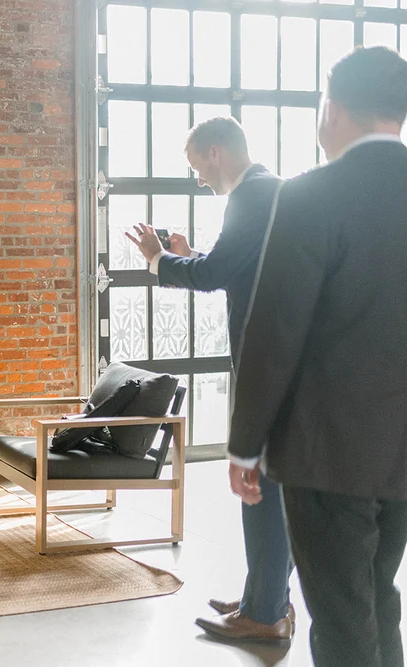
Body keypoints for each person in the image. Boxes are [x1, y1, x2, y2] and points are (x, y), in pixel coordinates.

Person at [228, 47, 407, 667]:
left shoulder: (311, 195)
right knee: (377, 596)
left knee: (339, 614)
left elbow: (275, 332)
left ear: (331, 109)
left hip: (326, 451)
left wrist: (245, 445)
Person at [126, 117, 294, 642]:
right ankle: (264, 599)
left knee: (260, 488)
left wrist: (159, 260)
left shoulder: (251, 196)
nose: (198, 178)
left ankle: (263, 616)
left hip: (268, 364)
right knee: (271, 488)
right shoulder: (271, 191)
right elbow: (239, 269)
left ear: (217, 152)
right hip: (284, 361)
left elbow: (215, 277)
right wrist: (187, 254)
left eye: (198, 166)